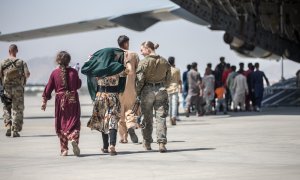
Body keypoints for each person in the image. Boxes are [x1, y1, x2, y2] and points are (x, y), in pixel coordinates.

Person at [82, 48, 127, 156]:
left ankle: (105, 146)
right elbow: (126, 73)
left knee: (103, 121)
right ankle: (112, 145)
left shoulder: (97, 67)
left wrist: (91, 60)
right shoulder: (118, 67)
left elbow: (84, 69)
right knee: (113, 120)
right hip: (113, 96)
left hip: (100, 96)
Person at [42, 51, 81, 156]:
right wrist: (77, 74)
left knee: (62, 123)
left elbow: (48, 88)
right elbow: (78, 85)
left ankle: (64, 150)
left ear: (58, 60)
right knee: (74, 122)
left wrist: (44, 101)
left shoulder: (54, 73)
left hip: (60, 101)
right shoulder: (74, 72)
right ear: (69, 61)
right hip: (73, 99)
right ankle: (73, 137)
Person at [136, 41, 171, 153]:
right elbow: (168, 80)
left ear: (148, 49)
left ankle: (147, 142)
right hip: (161, 90)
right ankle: (161, 143)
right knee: (161, 117)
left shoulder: (143, 62)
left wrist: (137, 92)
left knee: (147, 118)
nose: (141, 53)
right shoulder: (164, 61)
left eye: (142, 50)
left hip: (147, 91)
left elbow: (140, 80)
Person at [0, 44, 30, 137]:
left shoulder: (2, 62)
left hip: (7, 89)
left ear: (9, 51)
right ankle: (15, 130)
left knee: (6, 108)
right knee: (17, 109)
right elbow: (27, 74)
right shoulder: (21, 62)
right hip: (18, 90)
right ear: (16, 51)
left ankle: (8, 126)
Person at [117, 35, 139, 144]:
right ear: (126, 43)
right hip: (131, 87)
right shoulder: (134, 55)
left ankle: (123, 138)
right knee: (130, 110)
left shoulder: (114, 55)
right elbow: (139, 71)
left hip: (117, 88)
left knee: (120, 113)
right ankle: (131, 125)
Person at [167, 56, 182, 125]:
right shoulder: (177, 70)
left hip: (167, 89)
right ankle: (173, 117)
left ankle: (170, 118)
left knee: (169, 105)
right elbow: (179, 80)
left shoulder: (166, 70)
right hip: (175, 88)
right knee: (174, 104)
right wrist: (180, 87)